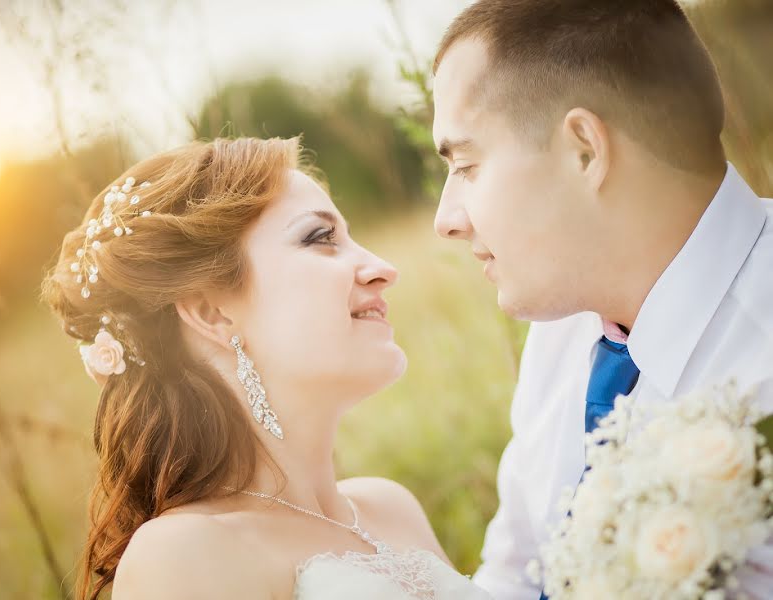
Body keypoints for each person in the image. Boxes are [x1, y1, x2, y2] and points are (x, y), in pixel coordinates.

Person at [42, 137, 491, 599]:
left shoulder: (392, 509)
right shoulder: (185, 556)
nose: (382, 268)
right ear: (212, 313)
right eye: (320, 238)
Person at [430, 1, 773, 598]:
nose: (446, 220)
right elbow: (512, 573)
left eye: (466, 165)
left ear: (585, 149)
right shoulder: (565, 330)